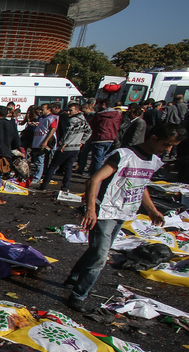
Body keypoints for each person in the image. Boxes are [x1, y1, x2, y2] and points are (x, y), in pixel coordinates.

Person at [65, 124, 185, 312]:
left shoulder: (153, 160)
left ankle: (73, 279)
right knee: (100, 256)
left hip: (124, 211)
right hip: (105, 211)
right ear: (153, 138)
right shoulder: (123, 155)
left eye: (172, 146)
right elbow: (94, 179)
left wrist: (152, 210)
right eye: (167, 144)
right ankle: (78, 295)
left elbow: (141, 185)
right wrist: (91, 209)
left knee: (97, 251)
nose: (168, 149)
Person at [39, 103, 91, 193]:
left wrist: (64, 143)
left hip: (67, 147)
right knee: (68, 167)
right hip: (76, 147)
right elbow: (89, 131)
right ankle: (65, 187)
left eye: (71, 110)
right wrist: (82, 141)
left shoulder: (72, 120)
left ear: (77, 110)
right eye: (68, 110)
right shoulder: (83, 120)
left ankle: (44, 185)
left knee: (53, 166)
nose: (68, 112)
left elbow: (69, 133)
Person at [84, 100, 123, 176]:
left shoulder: (99, 115)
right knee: (102, 158)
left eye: (98, 105)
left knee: (97, 159)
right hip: (111, 138)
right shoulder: (117, 115)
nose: (97, 106)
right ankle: (95, 173)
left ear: (104, 105)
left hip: (99, 138)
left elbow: (91, 124)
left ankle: (96, 176)